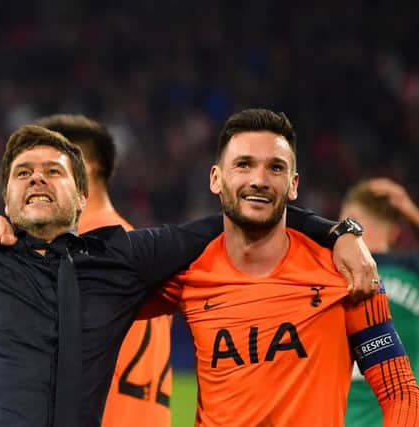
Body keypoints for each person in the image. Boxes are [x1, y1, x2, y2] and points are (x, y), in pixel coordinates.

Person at [0, 37, 377, 427]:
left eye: (54, 171)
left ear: (82, 195)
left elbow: (245, 210)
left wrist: (339, 231)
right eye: (23, 173)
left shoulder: (118, 259)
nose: (37, 180)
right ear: (5, 197)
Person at [141, 109, 419, 426]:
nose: (259, 180)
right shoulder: (189, 273)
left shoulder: (346, 273)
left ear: (293, 184)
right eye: (244, 164)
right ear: (216, 179)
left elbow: (400, 392)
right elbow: (104, 309)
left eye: (275, 167)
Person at [37, 115, 174, 427]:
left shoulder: (79, 253)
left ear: (84, 167)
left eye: (49, 168)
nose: (35, 180)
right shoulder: (141, 251)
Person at [340, 178, 419, 427]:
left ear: (347, 220)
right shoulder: (413, 273)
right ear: (396, 232)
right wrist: (411, 211)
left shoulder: (323, 275)